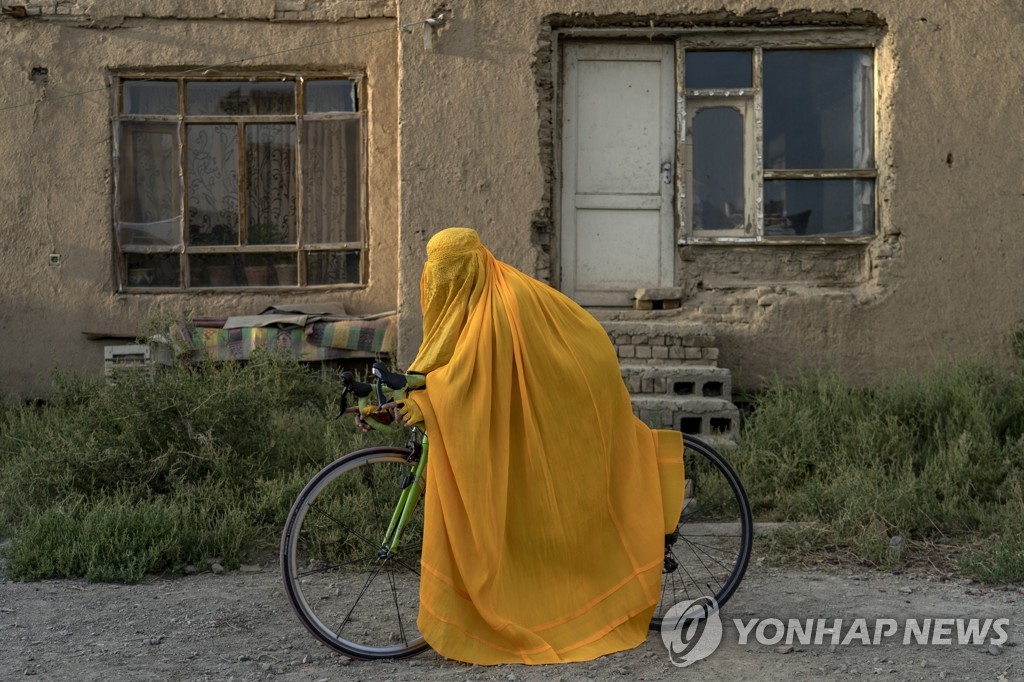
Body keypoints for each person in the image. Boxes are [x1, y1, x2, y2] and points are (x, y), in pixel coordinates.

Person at [389, 227, 684, 665]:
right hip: (557, 371)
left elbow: (469, 378)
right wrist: (408, 391)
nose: (439, 284)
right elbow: (447, 353)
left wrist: (426, 399)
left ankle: (588, 582)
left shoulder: (501, 306)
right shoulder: (478, 289)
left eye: (448, 273)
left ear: (468, 267)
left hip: (573, 382)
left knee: (562, 487)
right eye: (436, 274)